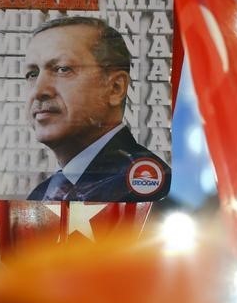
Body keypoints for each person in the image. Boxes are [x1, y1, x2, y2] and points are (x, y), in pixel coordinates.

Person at [23, 16, 171, 202]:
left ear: (115, 88)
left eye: (62, 69)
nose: (38, 90)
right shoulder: (39, 195)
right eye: (32, 74)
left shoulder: (149, 188)